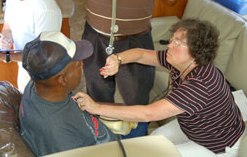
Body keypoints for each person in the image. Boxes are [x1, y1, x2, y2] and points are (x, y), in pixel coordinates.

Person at [73, 19, 246, 156]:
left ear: (196, 51)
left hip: (220, 146)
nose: (170, 45)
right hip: (194, 129)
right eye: (172, 40)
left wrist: (95, 107)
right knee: (153, 140)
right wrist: (117, 59)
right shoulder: (183, 62)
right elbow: (141, 54)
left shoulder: (200, 85)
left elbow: (149, 113)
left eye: (177, 43)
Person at [74, 0, 178, 138]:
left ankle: (135, 144)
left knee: (137, 98)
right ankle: (100, 140)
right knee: (97, 93)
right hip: (95, 35)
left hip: (135, 40)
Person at [19, 31, 117, 156]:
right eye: (78, 64)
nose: (82, 64)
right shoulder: (59, 135)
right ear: (62, 79)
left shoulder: (38, 84)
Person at [0, 0, 62, 92]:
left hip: (43, 76)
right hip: (24, 69)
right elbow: (7, 26)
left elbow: (41, 55)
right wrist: (6, 39)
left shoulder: (44, 8)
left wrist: (7, 56)